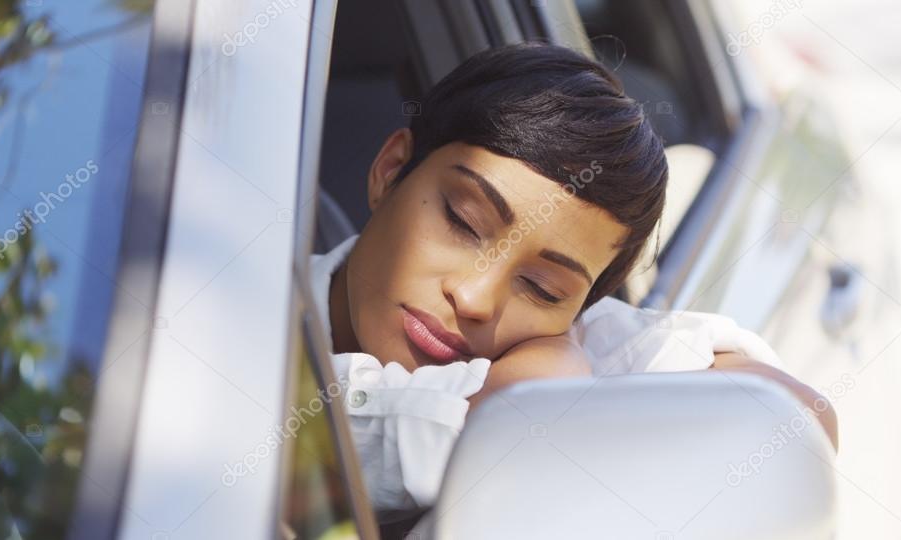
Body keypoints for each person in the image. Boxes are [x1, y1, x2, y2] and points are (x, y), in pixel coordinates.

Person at [309, 41, 838, 522]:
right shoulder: (241, 337)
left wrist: (549, 366)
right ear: (391, 170)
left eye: (542, 288)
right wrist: (538, 386)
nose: (473, 297)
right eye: (463, 222)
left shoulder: (560, 338)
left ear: (581, 309)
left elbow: (803, 418)